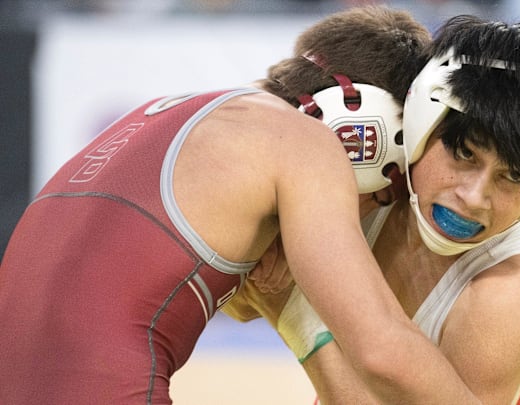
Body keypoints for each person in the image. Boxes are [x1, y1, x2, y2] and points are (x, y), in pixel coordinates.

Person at [0, 7, 484, 404]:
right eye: (386, 184)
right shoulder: (305, 144)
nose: (374, 205)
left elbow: (219, 299)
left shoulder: (181, 109)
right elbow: (384, 348)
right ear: (362, 126)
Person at [225, 14, 520, 405]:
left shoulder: (513, 286)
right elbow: (239, 304)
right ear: (422, 125)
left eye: (514, 176)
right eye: (464, 153)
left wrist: (295, 314)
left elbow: (273, 300)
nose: (473, 197)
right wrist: (262, 245)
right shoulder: (375, 191)